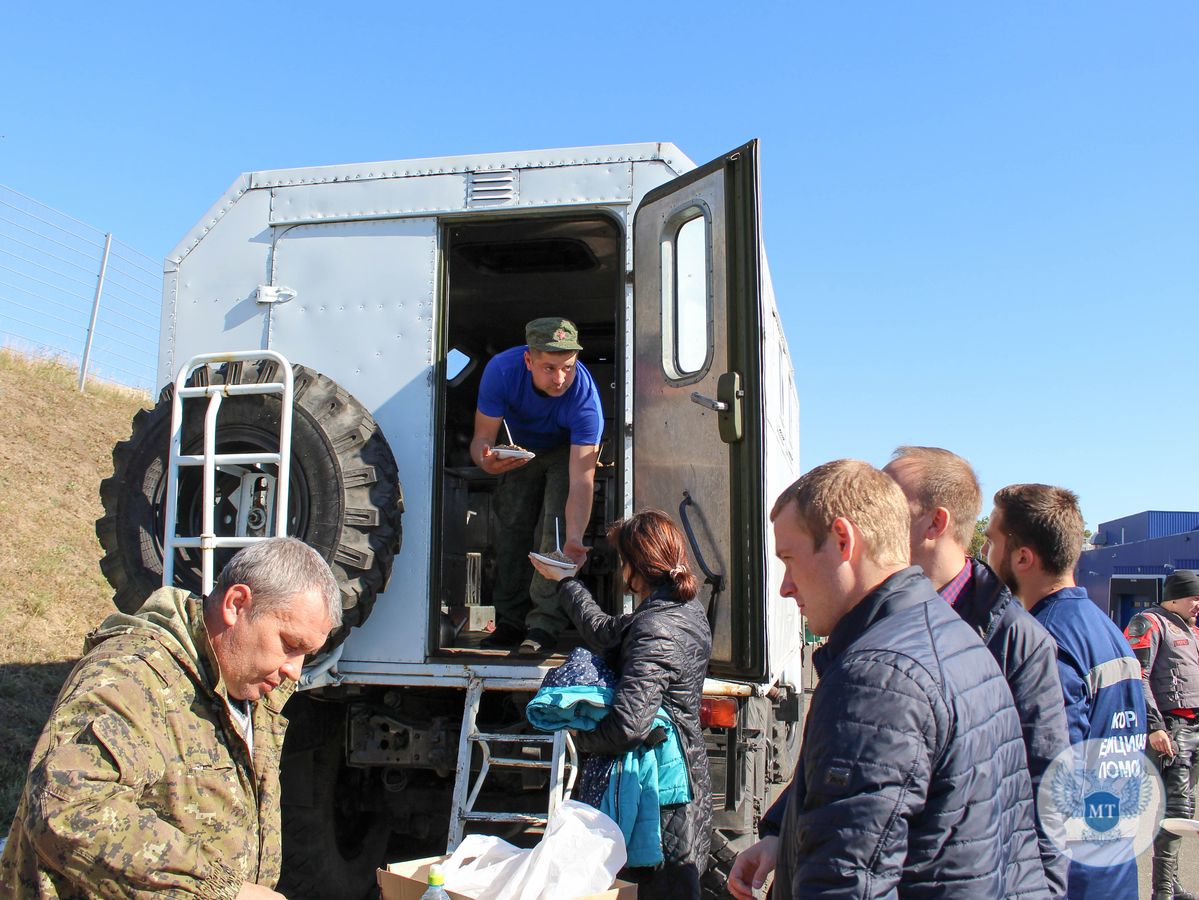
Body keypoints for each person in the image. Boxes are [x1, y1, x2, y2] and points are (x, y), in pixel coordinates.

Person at [735, 448, 1071, 897]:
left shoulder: (878, 676)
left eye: (790, 560)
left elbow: (848, 882)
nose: (785, 585)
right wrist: (783, 832)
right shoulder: (953, 636)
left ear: (842, 539)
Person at [0, 537, 340, 899]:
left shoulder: (245, 688)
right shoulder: (132, 675)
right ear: (236, 604)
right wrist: (221, 891)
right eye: (290, 644)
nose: (294, 670)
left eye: (308, 654)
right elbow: (66, 805)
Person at [529, 509, 712, 899]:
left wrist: (580, 737)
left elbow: (629, 727)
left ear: (635, 567)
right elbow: (607, 633)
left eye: (622, 561)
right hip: (680, 774)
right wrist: (566, 582)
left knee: (657, 889)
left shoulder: (656, 627)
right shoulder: (679, 611)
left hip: (660, 792)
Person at [986, 484, 1148, 900]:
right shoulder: (1106, 630)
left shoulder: (1042, 642)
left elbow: (1050, 775)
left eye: (991, 541)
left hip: (1065, 877)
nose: (985, 555)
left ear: (1023, 557)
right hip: (1112, 867)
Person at [472, 316, 603, 655]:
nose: (561, 378)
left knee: (554, 533)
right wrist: (487, 462)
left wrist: (575, 539)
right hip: (517, 450)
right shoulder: (500, 372)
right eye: (549, 368)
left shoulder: (586, 400)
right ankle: (509, 622)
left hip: (565, 453)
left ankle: (542, 626)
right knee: (512, 527)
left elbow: (581, 479)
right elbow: (481, 441)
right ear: (528, 360)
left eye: (568, 367)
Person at [1124, 569, 1199, 900]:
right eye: (1194, 597)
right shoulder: (1149, 622)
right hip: (1171, 730)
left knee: (1182, 811)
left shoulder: (1191, 629)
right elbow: (1137, 676)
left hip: (1195, 727)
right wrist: (1155, 726)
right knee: (1176, 812)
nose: (1198, 604)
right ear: (1175, 596)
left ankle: (1174, 881)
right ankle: (1163, 891)